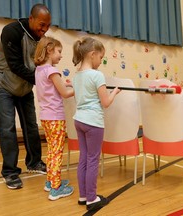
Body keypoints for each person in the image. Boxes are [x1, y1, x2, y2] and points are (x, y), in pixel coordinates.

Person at [0, 4, 51, 189]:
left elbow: (42, 65)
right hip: (3, 85)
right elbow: (15, 65)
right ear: (30, 19)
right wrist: (44, 80)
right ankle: (10, 171)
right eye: (41, 24)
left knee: (31, 125)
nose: (44, 29)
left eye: (48, 25)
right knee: (7, 128)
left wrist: (53, 78)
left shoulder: (42, 38)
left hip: (24, 88)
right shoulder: (12, 31)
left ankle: (34, 162)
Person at [72, 37, 121, 211]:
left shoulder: (77, 75)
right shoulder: (97, 75)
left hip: (79, 120)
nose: (101, 62)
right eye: (101, 58)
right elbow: (105, 102)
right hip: (93, 122)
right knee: (93, 159)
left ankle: (83, 195)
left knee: (84, 158)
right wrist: (114, 92)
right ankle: (92, 199)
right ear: (92, 55)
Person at [34, 36, 74, 201]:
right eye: (59, 51)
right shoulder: (52, 70)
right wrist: (80, 87)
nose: (61, 55)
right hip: (56, 118)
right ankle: (56, 188)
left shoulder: (39, 70)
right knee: (57, 152)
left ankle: (51, 181)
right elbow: (65, 93)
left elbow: (56, 88)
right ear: (49, 50)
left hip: (45, 117)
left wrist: (67, 85)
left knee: (51, 150)